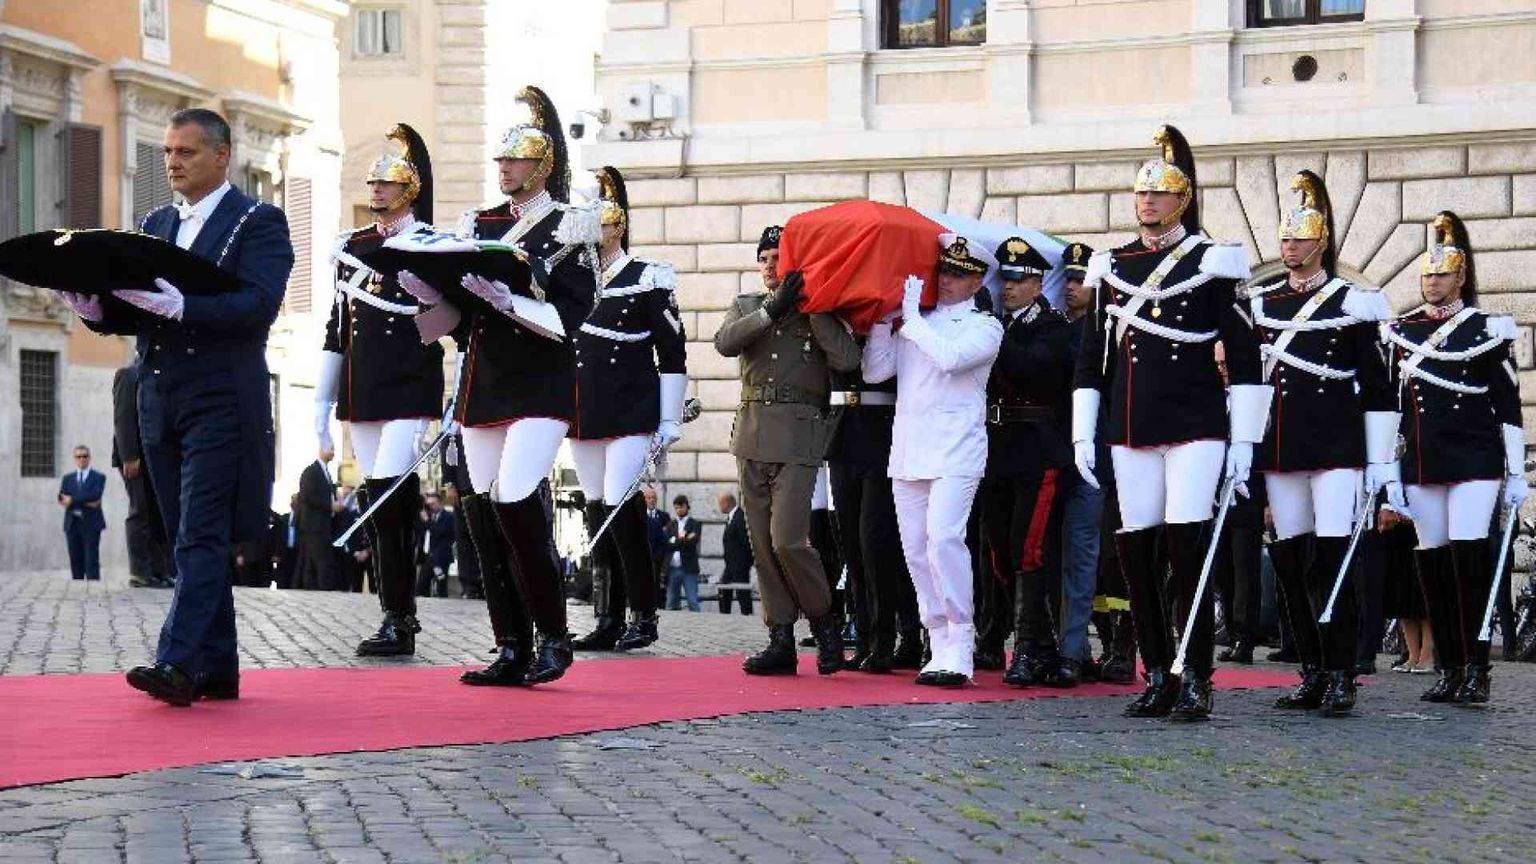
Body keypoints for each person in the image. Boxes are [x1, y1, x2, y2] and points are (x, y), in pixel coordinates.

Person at [62, 107, 292, 704]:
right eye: (167, 153)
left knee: (200, 532)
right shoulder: (156, 222)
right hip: (158, 397)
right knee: (184, 534)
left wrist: (186, 309)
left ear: (222, 155)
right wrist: (95, 309)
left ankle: (178, 664)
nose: (172, 163)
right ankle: (220, 668)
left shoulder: (258, 221)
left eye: (186, 152)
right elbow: (135, 305)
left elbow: (258, 305)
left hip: (221, 395)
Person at [401, 86, 595, 687]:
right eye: (501, 162)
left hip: (541, 382)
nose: (504, 169)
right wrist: (429, 293)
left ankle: (555, 637)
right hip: (484, 382)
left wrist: (509, 299)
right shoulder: (478, 224)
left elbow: (572, 314)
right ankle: (511, 644)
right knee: (482, 512)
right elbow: (456, 319)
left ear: (543, 167)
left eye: (515, 161)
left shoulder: (570, 224)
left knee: (515, 500)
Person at [1072, 125, 1266, 720]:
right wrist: (1084, 427)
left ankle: (1197, 674)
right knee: (1136, 550)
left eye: (1160, 194)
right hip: (1131, 424)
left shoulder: (1211, 262)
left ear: (1182, 201)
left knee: (1188, 546)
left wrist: (1246, 440)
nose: (1148, 202)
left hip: (1195, 422)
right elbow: (1091, 358)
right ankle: (1156, 671)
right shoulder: (1114, 266)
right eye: (1141, 195)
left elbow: (1246, 351)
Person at [1248, 170, 1396, 716]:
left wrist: (1380, 460)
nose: (1290, 247)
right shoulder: (1265, 306)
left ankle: (1342, 671)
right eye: (1285, 239)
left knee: (1334, 562)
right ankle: (1311, 667)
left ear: (1321, 242)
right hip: (1284, 451)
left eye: (1300, 238)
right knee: (1289, 563)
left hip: (1335, 450)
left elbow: (1378, 388)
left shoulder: (1350, 304)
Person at [1385, 211, 1526, 705]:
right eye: (1427, 274)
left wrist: (1514, 470)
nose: (1432, 282)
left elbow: (1507, 403)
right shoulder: (1403, 331)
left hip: (1474, 459)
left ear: (1461, 277)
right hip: (1424, 460)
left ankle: (1476, 667)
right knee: (1433, 565)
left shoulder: (1485, 328)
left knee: (1468, 563)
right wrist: (1388, 473)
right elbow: (1395, 409)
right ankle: (1447, 666)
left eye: (1441, 274)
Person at [315, 123, 445, 654]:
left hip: (409, 386)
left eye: (386, 184)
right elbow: (336, 328)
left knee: (391, 494)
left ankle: (402, 618)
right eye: (372, 184)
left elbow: (450, 325)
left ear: (408, 190)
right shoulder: (352, 248)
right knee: (376, 497)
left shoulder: (432, 245)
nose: (376, 192)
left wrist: (430, 297)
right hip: (363, 389)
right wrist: (318, 409)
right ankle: (395, 613)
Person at [714, 226, 862, 676]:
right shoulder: (747, 306)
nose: (769, 266)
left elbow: (848, 360)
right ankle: (780, 637)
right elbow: (725, 342)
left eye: (778, 257)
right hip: (753, 433)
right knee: (761, 544)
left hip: (800, 437)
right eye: (763, 258)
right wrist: (771, 311)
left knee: (788, 540)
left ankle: (824, 620)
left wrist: (812, 308)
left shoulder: (818, 310)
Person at [865, 235, 1004, 686]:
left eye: (959, 274)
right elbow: (876, 372)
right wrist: (885, 321)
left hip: (957, 450)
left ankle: (962, 643)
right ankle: (936, 640)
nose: (947, 281)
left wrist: (909, 319)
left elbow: (949, 359)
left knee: (945, 540)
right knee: (916, 552)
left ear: (977, 280)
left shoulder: (984, 326)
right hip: (909, 449)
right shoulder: (915, 320)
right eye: (943, 271)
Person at [567, 166, 687, 651]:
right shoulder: (570, 282)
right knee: (597, 512)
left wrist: (670, 418)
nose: (593, 236)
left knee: (621, 506)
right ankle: (607, 616)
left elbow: (672, 352)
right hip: (584, 411)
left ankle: (644, 613)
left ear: (618, 226)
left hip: (630, 412)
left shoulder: (647, 277)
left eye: (601, 225)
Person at [974, 238, 1075, 687]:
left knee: (1028, 550)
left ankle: (1029, 649)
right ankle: (1039, 646)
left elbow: (1033, 369)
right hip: (996, 449)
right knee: (998, 551)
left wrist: (991, 335)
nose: (1008, 288)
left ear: (1037, 284)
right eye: (1004, 280)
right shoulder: (1000, 326)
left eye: (1017, 280)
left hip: (1038, 449)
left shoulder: (1053, 327)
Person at [827, 333, 914, 673]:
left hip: (883, 435)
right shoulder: (832, 316)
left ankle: (886, 641)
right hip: (842, 435)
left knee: (876, 545)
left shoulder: (890, 319)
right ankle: (863, 639)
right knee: (850, 546)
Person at [113, 363, 172, 588]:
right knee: (141, 511)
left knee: (159, 514)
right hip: (136, 457)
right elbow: (123, 416)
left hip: (157, 456)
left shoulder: (160, 374)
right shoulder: (128, 375)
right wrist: (129, 455)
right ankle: (139, 571)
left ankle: (159, 570)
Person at [58, 445, 108, 582]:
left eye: (85, 456)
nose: (82, 459)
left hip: (91, 524)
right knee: (75, 559)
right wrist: (86, 500)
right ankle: (77, 589)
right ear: (74, 459)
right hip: (72, 523)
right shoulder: (68, 478)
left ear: (89, 458)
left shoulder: (99, 477)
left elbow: (95, 495)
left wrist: (73, 499)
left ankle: (94, 591)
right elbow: (61, 498)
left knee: (91, 560)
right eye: (78, 456)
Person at [293, 455, 338, 590]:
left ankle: (314, 590)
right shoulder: (311, 471)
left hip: (323, 526)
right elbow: (308, 496)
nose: (333, 451)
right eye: (330, 447)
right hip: (313, 526)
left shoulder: (327, 473)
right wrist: (331, 506)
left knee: (312, 563)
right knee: (318, 563)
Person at [718, 491, 754, 615]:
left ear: (726, 503)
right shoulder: (731, 517)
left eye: (720, 504)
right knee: (723, 589)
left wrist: (745, 564)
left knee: (742, 593)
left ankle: (747, 615)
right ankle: (724, 614)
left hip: (739, 565)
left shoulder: (740, 517)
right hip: (730, 565)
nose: (719, 507)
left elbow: (746, 542)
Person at [664, 495, 702, 611]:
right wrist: (683, 540)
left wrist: (675, 541)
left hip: (689, 568)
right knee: (671, 603)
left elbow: (692, 542)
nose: (679, 510)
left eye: (681, 507)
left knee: (692, 601)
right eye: (676, 508)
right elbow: (667, 544)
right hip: (673, 568)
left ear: (687, 507)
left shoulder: (695, 524)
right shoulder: (671, 524)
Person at [417, 491, 456, 598]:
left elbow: (439, 532)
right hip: (428, 557)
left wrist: (427, 522)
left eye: (433, 504)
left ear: (440, 503)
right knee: (421, 586)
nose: (431, 507)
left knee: (441, 586)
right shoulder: (427, 517)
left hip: (441, 557)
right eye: (429, 505)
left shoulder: (449, 517)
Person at [643, 486, 670, 607]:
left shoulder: (664, 517)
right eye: (648, 498)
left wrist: (657, 557)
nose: (651, 500)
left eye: (654, 498)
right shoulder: (638, 516)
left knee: (656, 588)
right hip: (640, 560)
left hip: (656, 561)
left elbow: (664, 540)